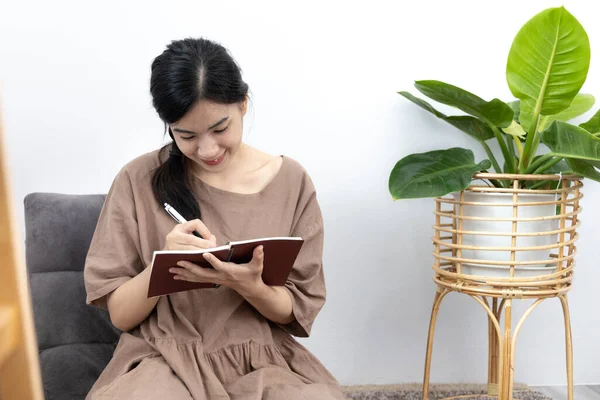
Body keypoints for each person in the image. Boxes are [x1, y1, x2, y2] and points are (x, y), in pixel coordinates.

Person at [83, 37, 346, 400]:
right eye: (185, 136)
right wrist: (163, 265)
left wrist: (250, 285)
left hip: (261, 361)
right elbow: (120, 316)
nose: (206, 150)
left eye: (220, 129)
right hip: (164, 359)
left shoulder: (292, 183)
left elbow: (295, 312)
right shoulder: (137, 179)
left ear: (243, 104)